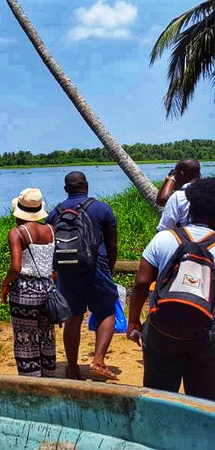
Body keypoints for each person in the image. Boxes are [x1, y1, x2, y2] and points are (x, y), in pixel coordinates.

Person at [128, 177, 215, 400]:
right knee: (205, 399)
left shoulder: (164, 238)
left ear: (191, 207)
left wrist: (134, 320)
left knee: (159, 396)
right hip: (207, 334)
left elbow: (141, 284)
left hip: (162, 329)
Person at [47, 171, 119, 381]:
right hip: (97, 266)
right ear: (86, 186)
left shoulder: (55, 212)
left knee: (73, 317)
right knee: (106, 312)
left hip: (67, 271)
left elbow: (52, 244)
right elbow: (112, 243)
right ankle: (98, 361)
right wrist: (110, 269)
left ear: (66, 189)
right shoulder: (102, 208)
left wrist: (56, 271)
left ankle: (71, 367)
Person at [1, 188, 56, 377]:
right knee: (47, 337)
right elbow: (54, 265)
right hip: (48, 291)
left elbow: (16, 268)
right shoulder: (50, 230)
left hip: (24, 293)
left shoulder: (16, 233)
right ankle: (48, 380)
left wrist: (5, 284)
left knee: (25, 339)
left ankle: (30, 383)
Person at [156, 158, 201, 231]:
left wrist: (171, 179)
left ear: (181, 174)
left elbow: (163, 229)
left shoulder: (179, 196)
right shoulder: (209, 190)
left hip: (189, 239)